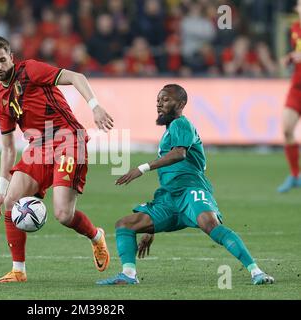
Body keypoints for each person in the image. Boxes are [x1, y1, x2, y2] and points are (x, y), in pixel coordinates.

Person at [96, 84, 274, 286]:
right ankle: (128, 274)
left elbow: (179, 153)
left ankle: (256, 271)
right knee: (126, 224)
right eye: (158, 100)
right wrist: (150, 230)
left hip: (191, 190)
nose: (159, 103)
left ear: (180, 104)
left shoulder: (181, 124)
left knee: (210, 224)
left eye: (165, 99)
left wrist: (142, 168)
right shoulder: (169, 131)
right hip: (169, 198)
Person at [0, 36, 114, 283]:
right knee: (11, 200)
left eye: (2, 59)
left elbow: (77, 77)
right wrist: (1, 191)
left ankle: (96, 236)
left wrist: (95, 107)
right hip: (38, 147)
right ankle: (18, 270)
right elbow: (8, 147)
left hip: (68, 139)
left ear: (11, 57)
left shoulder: (31, 70)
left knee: (63, 214)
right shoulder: (1, 98)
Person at [277, 0, 301, 193]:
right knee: (287, 130)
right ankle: (294, 175)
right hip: (296, 88)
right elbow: (296, 53)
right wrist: (290, 58)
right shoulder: (295, 28)